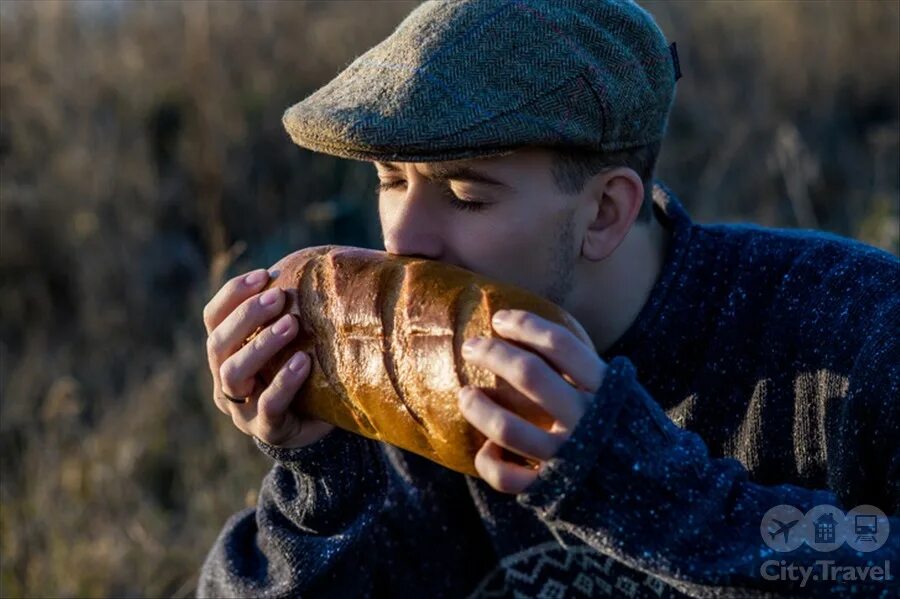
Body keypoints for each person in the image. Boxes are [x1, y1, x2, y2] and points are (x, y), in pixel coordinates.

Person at [198, 1, 899, 597]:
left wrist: (642, 491)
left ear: (603, 212)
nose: (404, 239)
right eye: (389, 181)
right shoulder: (412, 386)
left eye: (466, 195)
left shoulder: (859, 328)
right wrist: (320, 480)